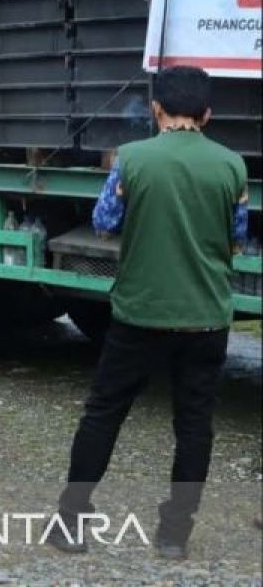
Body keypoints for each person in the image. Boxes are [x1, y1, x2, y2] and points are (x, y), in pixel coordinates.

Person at [47, 66, 250, 560]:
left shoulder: (132, 159)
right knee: (194, 425)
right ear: (207, 114)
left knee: (104, 415)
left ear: (156, 109)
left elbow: (103, 223)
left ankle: (71, 521)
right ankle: (175, 535)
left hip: (139, 314)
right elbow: (236, 239)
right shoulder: (232, 166)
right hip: (206, 317)